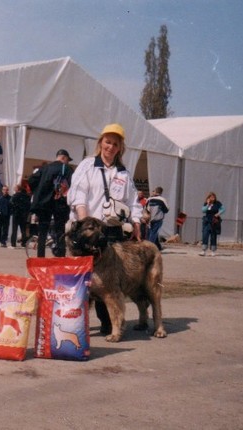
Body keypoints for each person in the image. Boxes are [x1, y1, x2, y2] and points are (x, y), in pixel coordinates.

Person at [67, 123, 143, 335]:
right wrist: (84, 224)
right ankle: (75, 321)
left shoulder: (124, 173)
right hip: (89, 231)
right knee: (82, 279)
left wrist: (136, 223)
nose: (110, 147)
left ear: (120, 148)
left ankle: (109, 322)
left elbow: (133, 201)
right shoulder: (88, 165)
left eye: (115, 144)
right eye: (107, 142)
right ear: (100, 143)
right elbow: (77, 194)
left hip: (111, 231)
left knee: (107, 281)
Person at [29, 149, 75, 257]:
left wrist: (38, 191)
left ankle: (40, 257)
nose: (68, 162)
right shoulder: (67, 169)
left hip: (44, 203)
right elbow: (74, 184)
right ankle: (60, 256)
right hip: (60, 203)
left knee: (42, 231)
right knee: (60, 230)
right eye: (67, 160)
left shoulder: (44, 168)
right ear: (64, 158)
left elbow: (31, 180)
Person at [199, 191, 224, 257]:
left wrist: (218, 214)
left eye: (213, 197)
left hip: (214, 221)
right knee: (205, 235)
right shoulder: (206, 203)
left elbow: (223, 209)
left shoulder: (217, 203)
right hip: (207, 221)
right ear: (209, 198)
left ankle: (213, 251)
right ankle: (203, 250)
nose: (212, 198)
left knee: (213, 235)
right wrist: (207, 204)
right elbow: (203, 210)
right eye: (211, 197)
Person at [9, 184, 31, 248]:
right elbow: (28, 205)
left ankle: (13, 244)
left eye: (15, 188)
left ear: (17, 189)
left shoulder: (15, 196)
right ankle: (24, 243)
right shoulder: (27, 196)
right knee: (23, 230)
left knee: (14, 229)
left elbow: (11, 203)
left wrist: (14, 209)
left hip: (16, 214)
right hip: (23, 215)